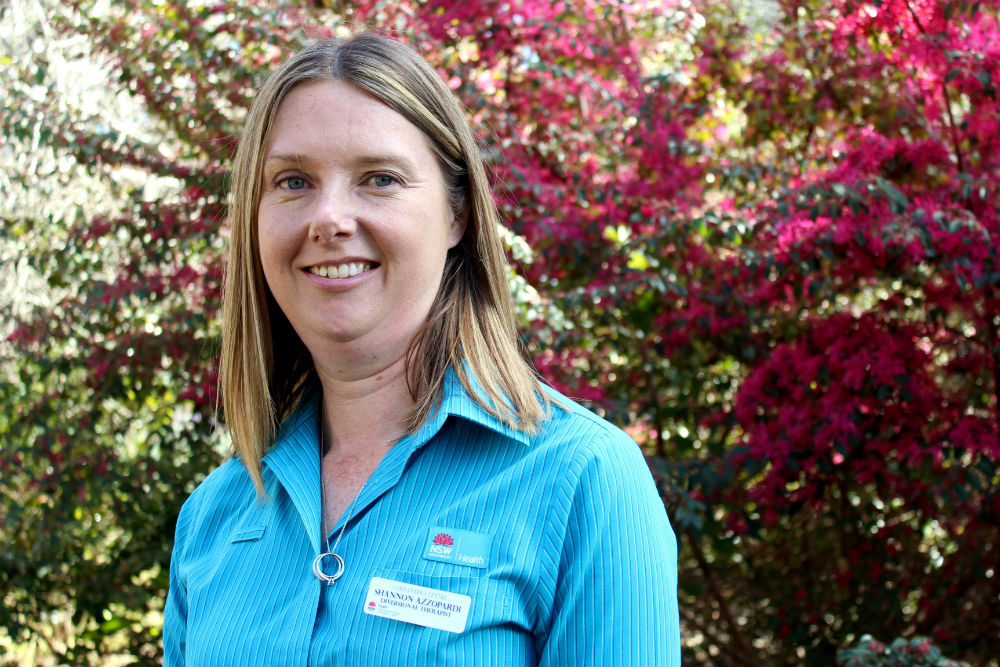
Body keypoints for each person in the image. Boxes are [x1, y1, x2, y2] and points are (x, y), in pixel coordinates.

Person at [163, 32, 680, 667]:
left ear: (457, 213)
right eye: (293, 180)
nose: (328, 218)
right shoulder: (213, 519)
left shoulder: (582, 480)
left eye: (379, 178)